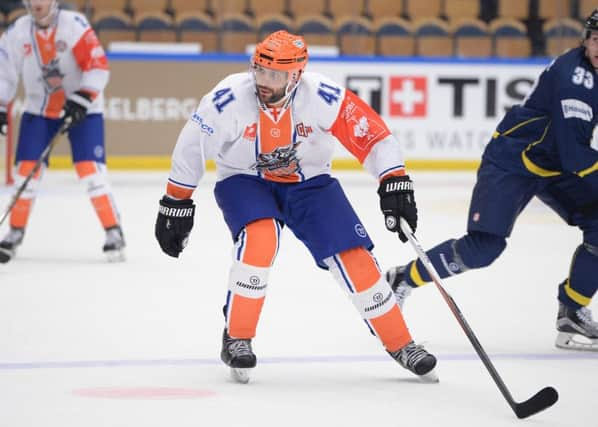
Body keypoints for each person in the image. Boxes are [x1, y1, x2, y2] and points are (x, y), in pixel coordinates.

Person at [154, 30, 438, 383]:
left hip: (310, 185)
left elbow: (372, 134)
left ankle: (401, 343)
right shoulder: (227, 99)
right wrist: (175, 202)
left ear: (296, 76)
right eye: (259, 70)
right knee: (260, 240)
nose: (263, 81)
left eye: (274, 75)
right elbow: (190, 147)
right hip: (245, 180)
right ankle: (237, 336)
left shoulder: (322, 96)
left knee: (355, 257)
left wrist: (393, 179)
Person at [386, 9, 598, 352]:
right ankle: (403, 277)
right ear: (586, 39)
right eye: (595, 38)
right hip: (514, 160)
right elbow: (576, 156)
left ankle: (572, 312)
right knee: (484, 248)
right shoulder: (575, 78)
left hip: (553, 161)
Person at [0, 0, 125, 263]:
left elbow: (97, 65)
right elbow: (4, 74)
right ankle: (15, 231)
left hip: (83, 107)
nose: (37, 3)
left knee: (90, 170)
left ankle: (113, 230)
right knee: (26, 171)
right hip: (39, 109)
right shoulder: (17, 32)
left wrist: (82, 98)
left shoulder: (74, 26)